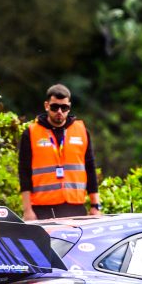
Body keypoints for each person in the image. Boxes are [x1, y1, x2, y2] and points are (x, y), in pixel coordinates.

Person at [19, 84, 102, 220]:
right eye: (54, 107)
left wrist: (95, 205)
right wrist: (27, 210)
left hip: (75, 207)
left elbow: (90, 168)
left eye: (64, 108)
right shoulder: (31, 133)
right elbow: (24, 172)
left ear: (69, 107)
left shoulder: (81, 131)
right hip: (42, 208)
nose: (59, 111)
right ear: (47, 106)